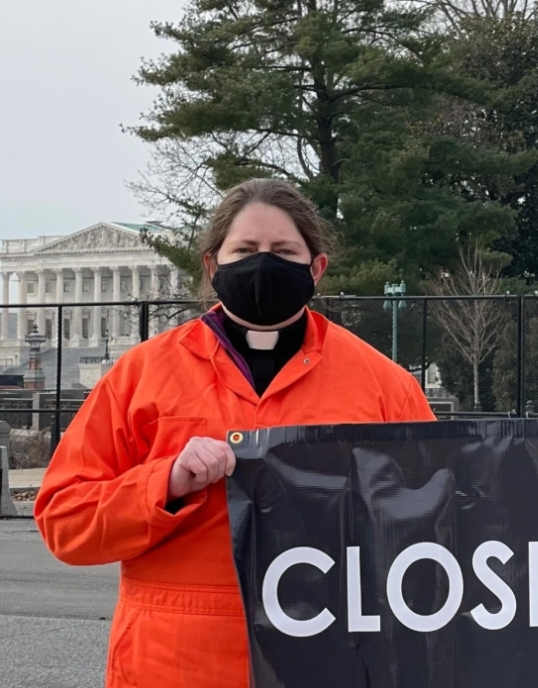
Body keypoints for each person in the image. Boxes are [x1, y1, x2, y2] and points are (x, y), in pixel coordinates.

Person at [34, 179, 436, 687]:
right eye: (245, 250)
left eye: (283, 251)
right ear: (212, 265)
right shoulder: (140, 377)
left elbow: (435, 525)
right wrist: (166, 484)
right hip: (174, 662)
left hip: (330, 655)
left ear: (316, 268)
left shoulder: (384, 386)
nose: (263, 264)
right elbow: (65, 524)